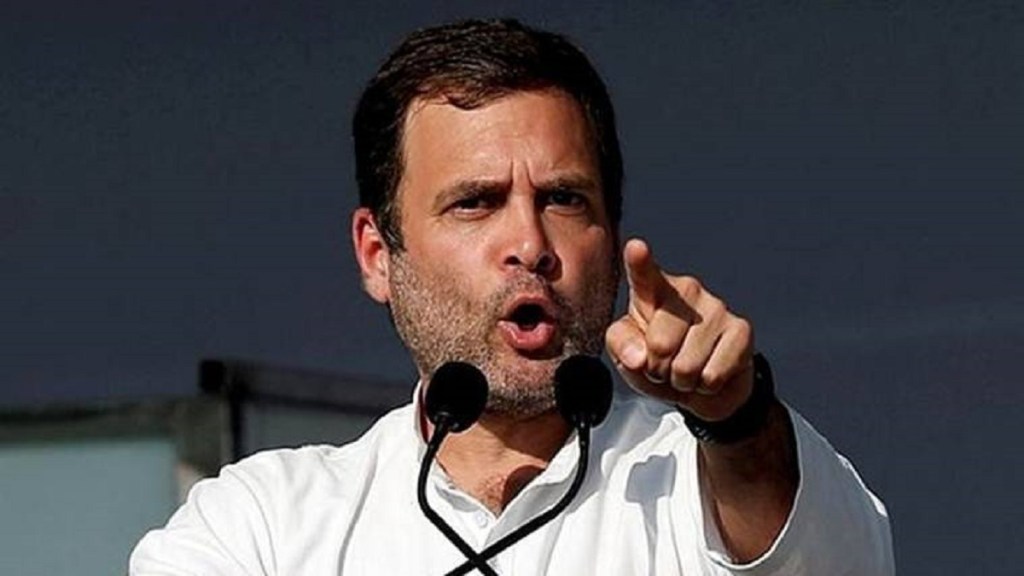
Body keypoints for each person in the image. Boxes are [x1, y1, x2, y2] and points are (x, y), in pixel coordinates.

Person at [130, 18, 893, 575]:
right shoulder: (262, 524)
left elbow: (831, 562)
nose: (530, 243)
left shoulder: (693, 478)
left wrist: (737, 418)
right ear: (377, 254)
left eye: (564, 198)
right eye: (476, 202)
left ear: (611, 233)